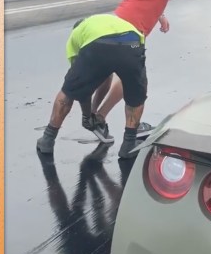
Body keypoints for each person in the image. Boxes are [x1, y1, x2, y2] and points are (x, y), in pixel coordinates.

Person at [86, 0, 211, 142]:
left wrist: (159, 14)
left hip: (117, 20)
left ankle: (91, 114)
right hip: (132, 30)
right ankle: (101, 118)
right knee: (132, 80)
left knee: (107, 70)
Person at [36, 14, 148, 159]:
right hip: (132, 42)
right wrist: (93, 114)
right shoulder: (106, 20)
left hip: (97, 45)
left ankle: (48, 139)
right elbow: (106, 77)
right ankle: (128, 144)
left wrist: (87, 115)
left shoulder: (76, 35)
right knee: (136, 95)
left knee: (68, 92)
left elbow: (82, 88)